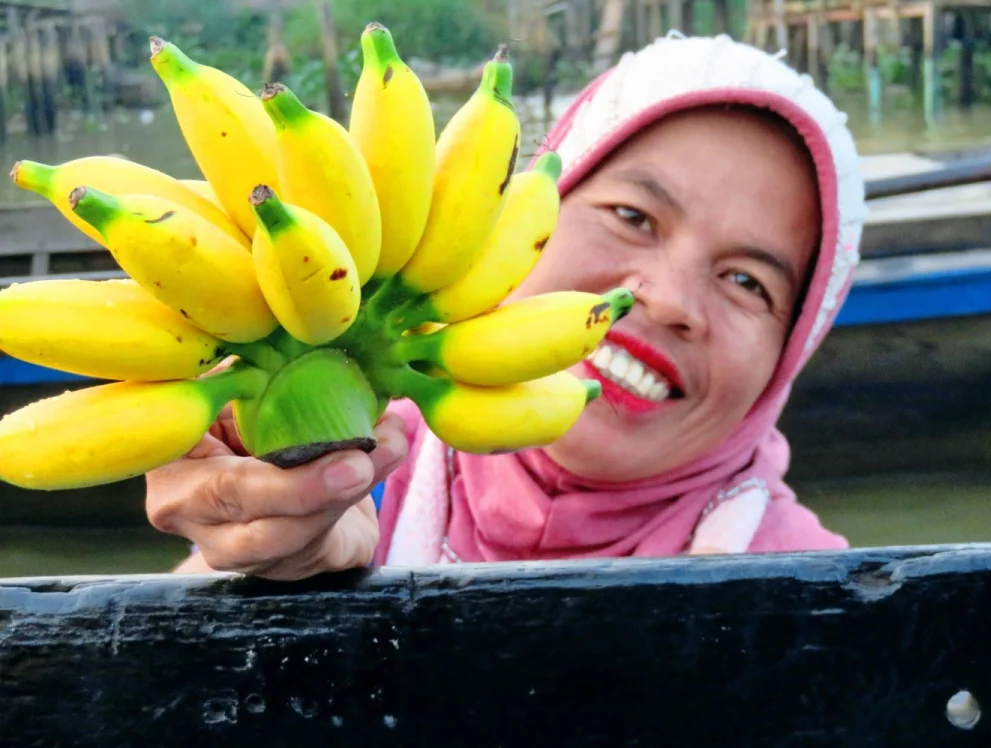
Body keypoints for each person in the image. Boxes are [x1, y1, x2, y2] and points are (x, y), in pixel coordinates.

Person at [145, 33, 867, 580]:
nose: (668, 298)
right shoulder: (360, 469)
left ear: (789, 353)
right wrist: (285, 560)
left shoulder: (833, 603)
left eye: (749, 282)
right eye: (633, 215)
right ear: (514, 223)